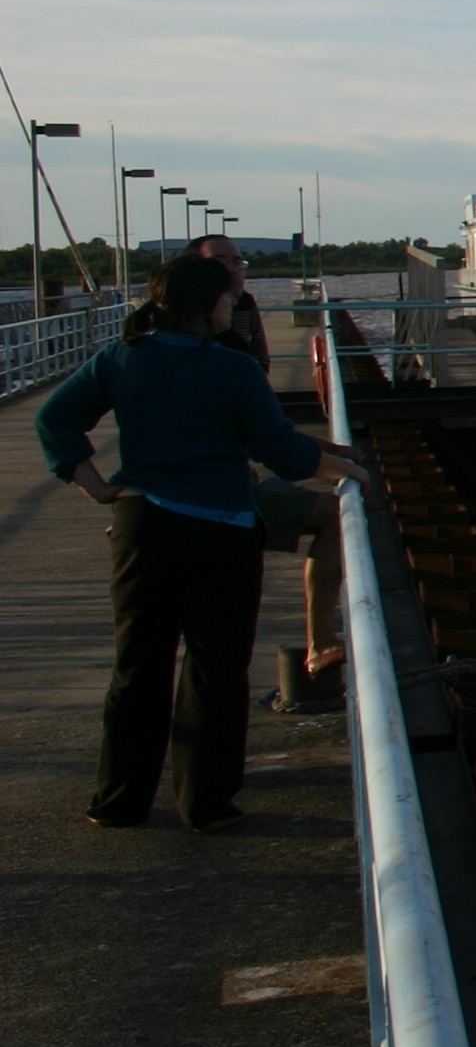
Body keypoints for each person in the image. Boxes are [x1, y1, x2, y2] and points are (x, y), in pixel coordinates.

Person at [36, 255, 370, 832]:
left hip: (142, 528)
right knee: (215, 668)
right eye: (227, 299)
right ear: (204, 304)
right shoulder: (233, 369)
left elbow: (54, 419)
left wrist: (94, 486)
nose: (232, 309)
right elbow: (282, 454)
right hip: (221, 531)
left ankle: (118, 801)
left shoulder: (122, 358)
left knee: (138, 666)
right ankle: (206, 802)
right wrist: (352, 472)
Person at [128, 234, 351, 674]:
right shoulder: (214, 358)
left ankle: (318, 642)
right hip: (214, 509)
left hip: (160, 511)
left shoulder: (143, 351)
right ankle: (320, 642)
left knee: (146, 664)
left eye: (238, 260)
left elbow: (257, 410)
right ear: (199, 281)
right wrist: (338, 465)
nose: (235, 269)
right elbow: (272, 443)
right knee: (214, 659)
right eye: (222, 263)